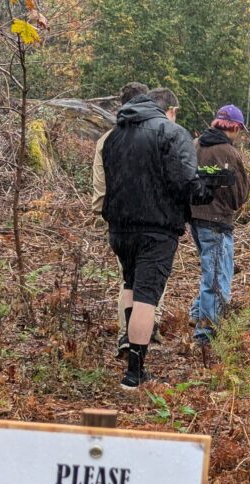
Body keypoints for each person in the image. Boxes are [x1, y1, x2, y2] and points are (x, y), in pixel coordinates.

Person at [102, 87, 206, 389]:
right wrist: (205, 189)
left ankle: (131, 356)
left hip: (119, 228)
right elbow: (185, 181)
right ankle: (134, 374)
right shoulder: (170, 132)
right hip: (156, 228)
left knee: (132, 286)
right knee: (148, 297)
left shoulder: (114, 136)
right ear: (169, 110)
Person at [92, 81, 165, 357]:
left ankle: (127, 333)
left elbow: (100, 183)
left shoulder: (107, 139)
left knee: (127, 280)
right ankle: (141, 336)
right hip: (146, 220)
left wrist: (101, 210)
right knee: (146, 283)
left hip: (115, 219)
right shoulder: (153, 135)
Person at [188, 104, 250, 345]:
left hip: (195, 218)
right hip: (218, 220)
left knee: (213, 272)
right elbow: (239, 195)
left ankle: (197, 314)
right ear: (234, 127)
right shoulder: (229, 153)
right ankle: (205, 336)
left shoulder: (195, 146)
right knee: (217, 277)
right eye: (239, 130)